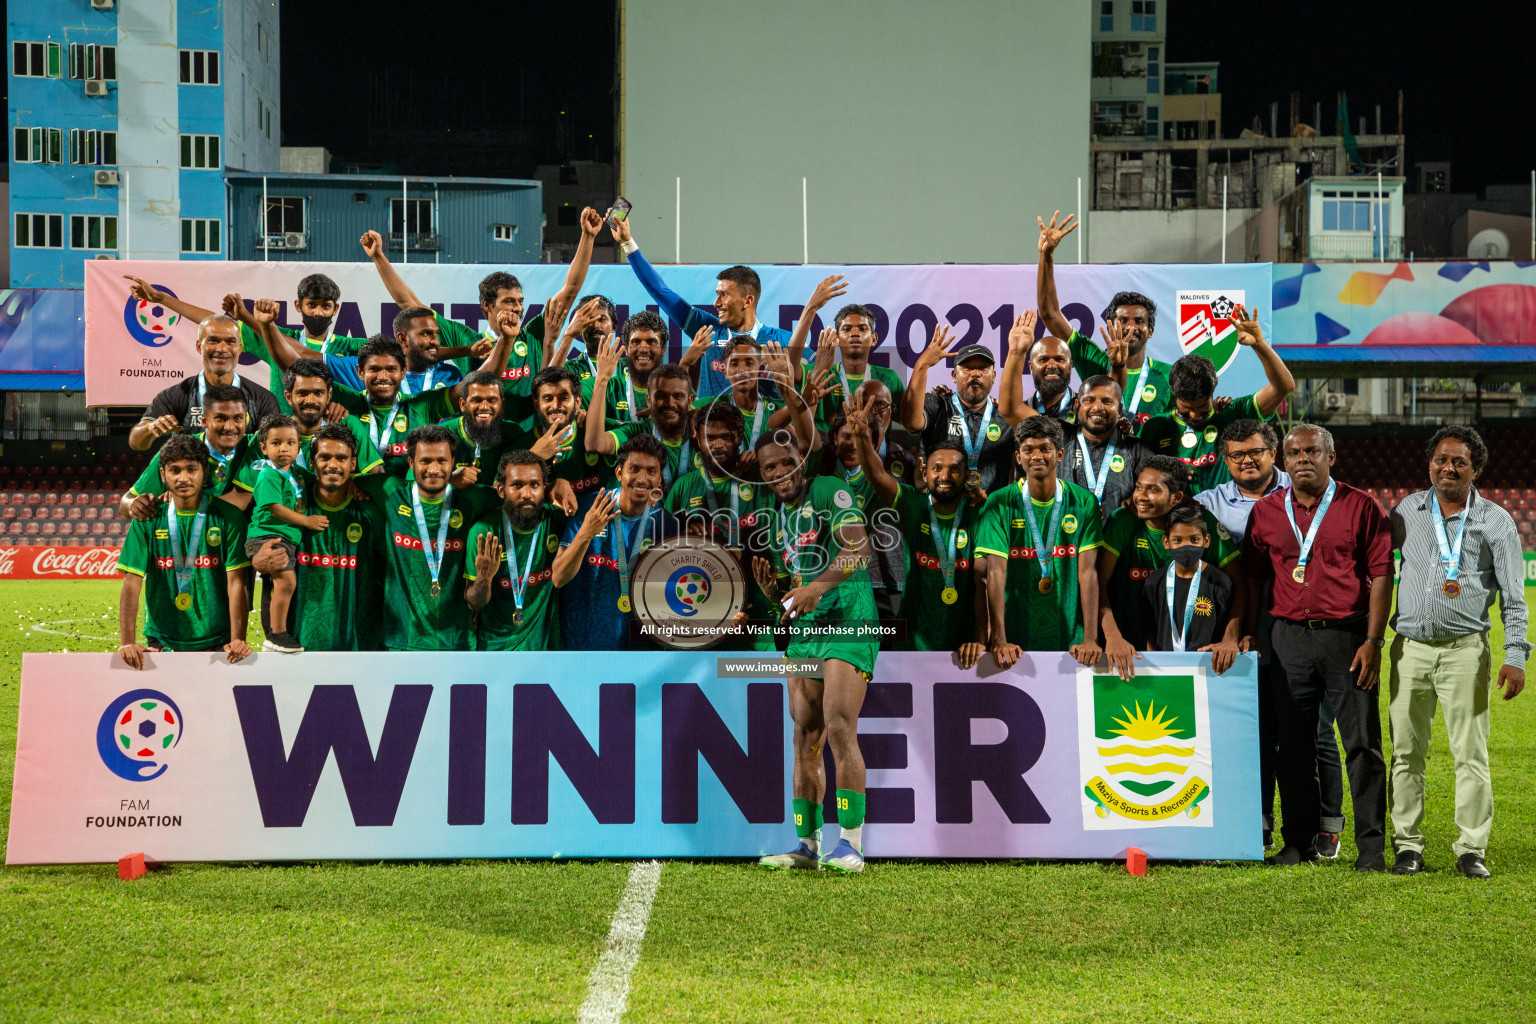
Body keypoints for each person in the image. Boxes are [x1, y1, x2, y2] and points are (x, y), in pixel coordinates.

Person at [1242, 424, 1393, 871]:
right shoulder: (1267, 511)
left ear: (1331, 456)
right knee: (1293, 747)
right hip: (1288, 639)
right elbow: (1252, 578)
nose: (1302, 459)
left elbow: (1382, 574)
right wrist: (1251, 631)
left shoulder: (1361, 506)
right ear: (1283, 461)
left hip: (1347, 638)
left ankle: (1371, 848)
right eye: (1294, 453)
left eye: (1312, 451)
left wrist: (1372, 640)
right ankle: (1298, 843)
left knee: (1361, 745)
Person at [1387, 426, 1530, 879]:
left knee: (1471, 754)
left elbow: (1513, 597)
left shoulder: (1495, 520)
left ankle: (1472, 849)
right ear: (1429, 462)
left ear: (1475, 469)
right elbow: (1373, 570)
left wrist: (1516, 655)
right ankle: (1408, 846)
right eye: (1441, 460)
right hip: (1408, 650)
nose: (1448, 468)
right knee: (1406, 753)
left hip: (1466, 651)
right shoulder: (1406, 510)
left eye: (1459, 462)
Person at [1197, 418, 1344, 852]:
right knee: (1254, 733)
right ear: (1225, 460)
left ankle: (1327, 825)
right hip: (1243, 635)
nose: (1247, 460)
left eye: (1256, 452)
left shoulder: (1304, 493)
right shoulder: (1208, 503)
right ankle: (1258, 823)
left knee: (1314, 731)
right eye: (1237, 454)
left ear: (1273, 453)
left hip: (1297, 630)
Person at [748, 431, 878, 874]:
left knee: (840, 726)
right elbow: (798, 584)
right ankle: (806, 846)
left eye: (786, 462)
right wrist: (774, 595)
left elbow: (858, 547)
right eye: (770, 468)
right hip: (806, 632)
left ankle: (851, 846)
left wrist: (817, 589)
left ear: (801, 459)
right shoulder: (773, 514)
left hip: (850, 622)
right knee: (805, 737)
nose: (780, 473)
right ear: (762, 474)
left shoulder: (828, 489)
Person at [361, 208, 599, 414]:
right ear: (487, 305)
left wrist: (587, 236)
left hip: (529, 439)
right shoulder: (468, 340)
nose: (517, 308)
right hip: (486, 441)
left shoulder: (534, 333)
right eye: (508, 302)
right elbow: (409, 303)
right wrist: (379, 257)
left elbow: (570, 289)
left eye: (520, 301)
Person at [848, 397, 987, 664]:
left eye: (954, 470)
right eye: (937, 468)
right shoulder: (915, 503)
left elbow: (985, 583)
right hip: (912, 644)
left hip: (964, 646)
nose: (944, 476)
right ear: (926, 472)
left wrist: (981, 638)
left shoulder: (979, 513)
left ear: (967, 475)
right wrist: (862, 439)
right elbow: (877, 476)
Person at [125, 272, 366, 416]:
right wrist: (161, 299)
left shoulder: (351, 346)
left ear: (336, 309)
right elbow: (214, 322)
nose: (318, 312)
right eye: (311, 305)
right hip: (282, 438)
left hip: (330, 440)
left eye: (325, 306)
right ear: (298, 306)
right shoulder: (273, 335)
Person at [609, 213, 790, 397]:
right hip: (708, 424)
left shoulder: (779, 341)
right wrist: (627, 243)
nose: (716, 303)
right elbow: (660, 292)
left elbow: (812, 380)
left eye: (724, 295)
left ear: (748, 301)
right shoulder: (707, 330)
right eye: (716, 295)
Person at [1097, 456, 1244, 678]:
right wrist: (1112, 636)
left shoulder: (1200, 521)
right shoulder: (1124, 520)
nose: (1140, 497)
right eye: (1138, 488)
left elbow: (1240, 582)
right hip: (1131, 646)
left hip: (1196, 652)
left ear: (1175, 498)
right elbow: (1098, 582)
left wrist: (1231, 637)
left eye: (1152, 490)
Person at [975, 415, 1104, 667]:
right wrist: (998, 638)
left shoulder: (1084, 501)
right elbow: (995, 573)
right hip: (1015, 640)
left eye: (1045, 449)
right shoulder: (999, 502)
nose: (1036, 456)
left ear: (1059, 454)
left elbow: (1088, 574)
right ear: (1017, 457)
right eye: (1028, 450)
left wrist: (1091, 638)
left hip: (1071, 641)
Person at [115, 433, 253, 667]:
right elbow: (132, 581)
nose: (183, 478)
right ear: (163, 475)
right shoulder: (147, 519)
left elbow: (236, 582)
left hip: (219, 641)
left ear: (205, 473)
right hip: (162, 640)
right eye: (175, 470)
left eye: (191, 469)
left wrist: (238, 638)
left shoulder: (229, 517)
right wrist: (128, 641)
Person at [250, 424, 387, 652]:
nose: (332, 465)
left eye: (341, 458)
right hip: (296, 645)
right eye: (324, 457)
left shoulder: (370, 512)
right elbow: (260, 542)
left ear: (353, 464)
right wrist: (257, 561)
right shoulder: (290, 506)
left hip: (356, 646)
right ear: (312, 463)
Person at [1137, 304, 1295, 494]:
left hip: (1223, 519)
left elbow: (1283, 387)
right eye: (1186, 408)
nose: (1195, 415)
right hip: (1173, 521)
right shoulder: (1155, 427)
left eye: (1202, 407)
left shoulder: (1232, 415)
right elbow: (1140, 475)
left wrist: (1259, 343)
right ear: (1174, 394)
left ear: (1213, 391)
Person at [663, 401, 781, 649]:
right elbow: (662, 557)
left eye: (726, 437)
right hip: (699, 618)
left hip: (756, 619)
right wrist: (684, 539)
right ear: (697, 437)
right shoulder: (683, 487)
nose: (717, 445)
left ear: (739, 437)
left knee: (758, 685)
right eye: (710, 437)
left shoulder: (761, 481)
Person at [1037, 211, 1173, 425]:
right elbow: (1049, 313)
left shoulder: (1169, 375)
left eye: (1139, 321)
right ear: (1110, 326)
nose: (1130, 327)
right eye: (1123, 320)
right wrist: (1047, 256)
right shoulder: (1094, 359)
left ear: (1151, 330)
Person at [371, 424, 498, 651]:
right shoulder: (391, 492)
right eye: (425, 461)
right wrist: (353, 487)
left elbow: (516, 498)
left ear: (453, 464)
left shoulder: (474, 499)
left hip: (456, 641)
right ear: (411, 463)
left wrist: (557, 485)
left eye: (442, 461)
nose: (434, 469)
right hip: (401, 643)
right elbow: (344, 484)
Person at [553, 434, 682, 651]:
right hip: (582, 646)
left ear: (660, 479)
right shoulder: (588, 508)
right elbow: (558, 578)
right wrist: (587, 532)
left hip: (636, 652)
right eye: (634, 469)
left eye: (651, 471)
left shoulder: (666, 526)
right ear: (619, 472)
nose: (642, 479)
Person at [819, 384, 918, 619]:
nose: (853, 443)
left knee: (889, 653)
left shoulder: (897, 467)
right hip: (831, 581)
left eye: (861, 436)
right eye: (846, 436)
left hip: (885, 580)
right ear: (834, 437)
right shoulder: (821, 468)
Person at [128, 312, 278, 450]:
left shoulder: (261, 399)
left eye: (230, 342)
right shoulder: (175, 395)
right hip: (191, 478)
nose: (222, 348)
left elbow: (272, 448)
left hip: (240, 479)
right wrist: (150, 428)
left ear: (239, 348)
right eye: (213, 341)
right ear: (199, 347)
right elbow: (136, 442)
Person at [465, 450, 566, 652]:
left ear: (544, 489)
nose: (526, 494)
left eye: (534, 485)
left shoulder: (557, 521)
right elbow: (475, 604)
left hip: (545, 649)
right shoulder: (484, 531)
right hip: (496, 650)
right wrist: (484, 578)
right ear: (502, 491)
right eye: (517, 485)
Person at [904, 322, 1018, 496]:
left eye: (983, 368)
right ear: (954, 376)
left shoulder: (1005, 417)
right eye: (967, 368)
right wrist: (923, 365)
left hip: (989, 512)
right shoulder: (937, 404)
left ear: (994, 376)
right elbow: (911, 422)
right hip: (938, 509)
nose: (975, 373)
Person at [121, 385, 258, 520]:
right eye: (220, 418)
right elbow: (126, 502)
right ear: (204, 421)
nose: (229, 427)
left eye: (237, 418)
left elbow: (240, 499)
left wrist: (183, 504)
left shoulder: (255, 446)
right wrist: (133, 505)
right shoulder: (178, 450)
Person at [243, 414, 316, 654]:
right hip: (267, 536)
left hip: (285, 538)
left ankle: (276, 633)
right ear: (263, 447)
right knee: (286, 581)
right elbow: (275, 508)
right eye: (276, 443)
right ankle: (276, 634)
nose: (283, 448)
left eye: (290, 443)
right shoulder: (268, 474)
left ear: (299, 446)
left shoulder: (297, 473)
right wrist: (307, 521)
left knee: (277, 585)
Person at [1140, 504, 1237, 655]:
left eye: (1194, 540)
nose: (1186, 546)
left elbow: (1224, 629)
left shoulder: (1219, 582)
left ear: (1206, 540)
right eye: (1177, 540)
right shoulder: (1154, 582)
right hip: (1166, 668)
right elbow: (1150, 631)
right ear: (1166, 542)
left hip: (1207, 669)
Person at [590, 361, 700, 491]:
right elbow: (596, 443)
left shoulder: (703, 431)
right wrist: (602, 381)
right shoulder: (638, 432)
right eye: (661, 396)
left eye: (678, 396)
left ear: (690, 401)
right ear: (649, 400)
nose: (670, 403)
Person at [512, 366, 614, 502]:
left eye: (564, 398)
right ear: (536, 404)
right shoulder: (520, 446)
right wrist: (532, 457)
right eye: (548, 399)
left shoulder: (597, 433)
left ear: (577, 402)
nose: (555, 405)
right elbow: (499, 492)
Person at [801, 303, 905, 431]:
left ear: (874, 338)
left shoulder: (890, 378)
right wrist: (811, 306)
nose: (855, 333)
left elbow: (910, 424)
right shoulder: (816, 373)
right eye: (847, 329)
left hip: (876, 450)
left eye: (862, 328)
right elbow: (792, 374)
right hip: (828, 450)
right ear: (837, 338)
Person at [1058, 375, 1151, 519]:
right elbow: (1014, 411)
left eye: (1107, 401)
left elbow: (1158, 486)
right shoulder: (1060, 439)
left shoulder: (1136, 448)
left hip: (1118, 539)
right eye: (1089, 400)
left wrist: (1140, 497)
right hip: (1068, 537)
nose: (1097, 407)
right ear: (1077, 405)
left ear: (1119, 408)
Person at [277, 358, 384, 475]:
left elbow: (377, 474)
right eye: (302, 393)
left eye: (318, 393)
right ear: (288, 397)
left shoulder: (348, 425)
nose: (311, 400)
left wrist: (352, 482)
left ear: (329, 395)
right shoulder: (274, 434)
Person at [440, 370, 512, 492]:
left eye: (492, 400)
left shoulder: (514, 433)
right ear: (462, 404)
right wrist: (449, 481)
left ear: (502, 405)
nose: (484, 406)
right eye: (476, 400)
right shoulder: (440, 436)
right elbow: (415, 487)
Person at [604, 310, 668, 424]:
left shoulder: (675, 386)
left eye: (651, 342)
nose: (643, 349)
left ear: (663, 348)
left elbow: (700, 407)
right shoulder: (609, 387)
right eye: (636, 342)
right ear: (627, 349)